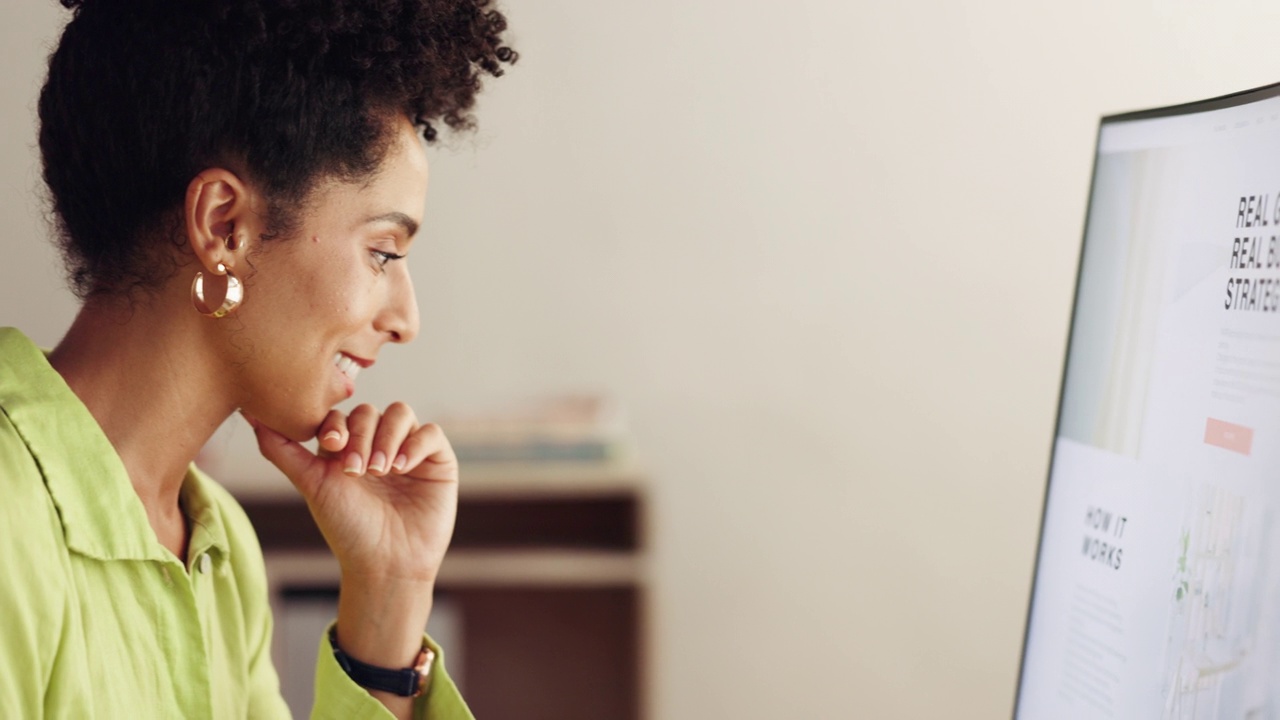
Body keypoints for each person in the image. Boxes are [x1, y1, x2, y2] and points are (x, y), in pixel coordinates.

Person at [0, 0, 516, 718]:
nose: (406, 320)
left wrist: (390, 595)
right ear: (224, 225)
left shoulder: (219, 548)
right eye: (382, 253)